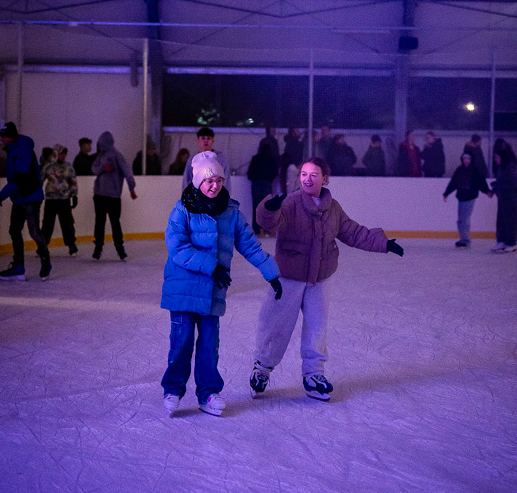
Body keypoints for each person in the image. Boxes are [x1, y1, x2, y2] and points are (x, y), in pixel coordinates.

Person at [250, 157, 404, 401]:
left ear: (325, 178)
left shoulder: (333, 208)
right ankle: (262, 368)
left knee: (317, 328)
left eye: (314, 175)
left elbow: (353, 233)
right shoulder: (289, 203)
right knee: (276, 326)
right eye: (304, 174)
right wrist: (269, 207)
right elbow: (268, 222)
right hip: (289, 276)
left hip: (320, 279)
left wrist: (383, 243)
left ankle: (314, 374)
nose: (308, 179)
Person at [160, 151, 282, 417]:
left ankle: (208, 393)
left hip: (212, 292)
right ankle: (173, 389)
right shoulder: (182, 210)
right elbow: (177, 248)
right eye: (208, 181)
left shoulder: (231, 212)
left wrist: (271, 272)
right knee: (180, 343)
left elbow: (250, 245)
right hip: (182, 289)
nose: (214, 185)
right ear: (197, 183)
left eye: (218, 179)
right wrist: (211, 265)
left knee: (209, 345)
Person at [0, 121, 52, 282]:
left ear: (11, 137)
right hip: (19, 197)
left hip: (30, 197)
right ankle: (19, 267)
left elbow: (19, 179)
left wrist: (1, 196)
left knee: (34, 231)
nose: (1, 140)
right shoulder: (12, 149)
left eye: (3, 137)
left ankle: (46, 261)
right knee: (14, 230)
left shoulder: (23, 149)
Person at [91, 131, 137, 261]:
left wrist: (131, 187)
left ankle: (119, 248)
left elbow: (127, 172)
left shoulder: (117, 156)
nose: (99, 146)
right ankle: (98, 247)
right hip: (99, 194)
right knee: (100, 222)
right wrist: (103, 168)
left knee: (114, 222)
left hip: (113, 196)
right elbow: (94, 169)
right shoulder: (100, 156)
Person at [443, 152, 490, 247]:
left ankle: (466, 239)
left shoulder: (475, 170)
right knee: (460, 219)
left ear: (471, 159)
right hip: (461, 196)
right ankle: (463, 238)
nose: (466, 160)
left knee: (464, 219)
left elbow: (481, 182)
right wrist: (446, 193)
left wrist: (487, 191)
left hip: (470, 197)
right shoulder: (459, 170)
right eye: (464, 158)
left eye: (468, 158)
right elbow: (453, 182)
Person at [41, 144, 79, 256]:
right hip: (51, 199)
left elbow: (73, 181)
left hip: (64, 199)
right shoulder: (48, 167)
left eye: (65, 153)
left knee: (67, 223)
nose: (63, 155)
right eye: (61, 153)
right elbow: (40, 180)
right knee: (47, 224)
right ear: (56, 153)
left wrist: (74, 195)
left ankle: (71, 245)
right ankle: (43, 246)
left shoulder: (68, 167)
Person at [488, 139, 517, 253]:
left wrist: (496, 184)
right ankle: (501, 241)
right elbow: (500, 181)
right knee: (501, 220)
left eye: (497, 157)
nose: (495, 160)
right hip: (502, 197)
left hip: (510, 198)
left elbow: (512, 183)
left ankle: (511, 243)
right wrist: (494, 190)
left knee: (510, 220)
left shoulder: (509, 167)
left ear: (502, 157)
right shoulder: (501, 167)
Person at [247, 141, 278, 236]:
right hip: (267, 183)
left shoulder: (256, 158)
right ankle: (267, 229)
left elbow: (250, 172)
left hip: (256, 183)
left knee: (256, 207)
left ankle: (257, 230)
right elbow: (275, 172)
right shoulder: (272, 160)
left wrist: (255, 178)